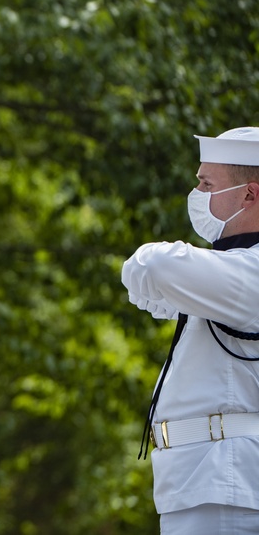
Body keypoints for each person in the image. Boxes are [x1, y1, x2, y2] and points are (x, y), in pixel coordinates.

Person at [122, 127, 259, 534]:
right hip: (208, 478)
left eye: (206, 183)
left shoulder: (247, 272)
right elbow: (154, 294)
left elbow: (156, 269)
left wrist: (146, 252)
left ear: (249, 195)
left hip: (227, 479)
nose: (196, 192)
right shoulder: (235, 269)